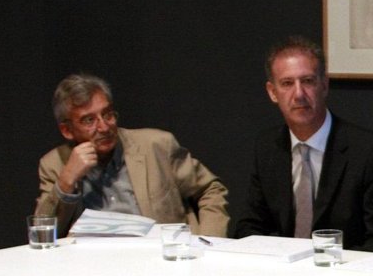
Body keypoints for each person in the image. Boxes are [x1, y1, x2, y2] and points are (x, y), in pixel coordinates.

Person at [234, 36, 373, 252]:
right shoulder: (268, 146)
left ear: (324, 85)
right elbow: (250, 226)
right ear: (272, 92)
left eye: (307, 81)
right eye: (287, 83)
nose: (298, 94)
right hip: (283, 267)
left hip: (344, 268)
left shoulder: (369, 151)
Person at [35, 73, 229, 237]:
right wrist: (66, 182)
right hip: (92, 265)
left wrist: (209, 242)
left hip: (159, 258)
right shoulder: (54, 164)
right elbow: (42, 234)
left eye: (108, 114)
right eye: (89, 120)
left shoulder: (156, 146)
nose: (104, 127)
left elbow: (210, 190)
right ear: (67, 130)